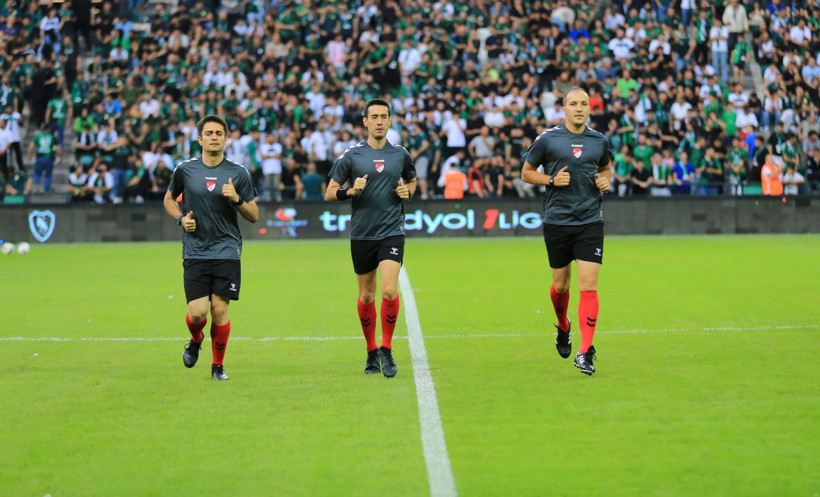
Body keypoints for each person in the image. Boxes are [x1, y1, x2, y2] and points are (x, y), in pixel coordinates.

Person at [521, 87, 612, 376]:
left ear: (589, 108)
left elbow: (606, 168)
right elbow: (526, 172)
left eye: (584, 103)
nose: (579, 108)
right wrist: (550, 179)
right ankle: (563, 325)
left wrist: (604, 182)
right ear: (564, 109)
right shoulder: (548, 140)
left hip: (589, 221)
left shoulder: (599, 141)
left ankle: (585, 352)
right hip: (558, 220)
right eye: (573, 104)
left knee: (588, 285)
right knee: (561, 286)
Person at [325, 98, 417, 378]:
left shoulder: (400, 154)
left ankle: (386, 350)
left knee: (389, 290)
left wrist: (408, 191)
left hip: (392, 232)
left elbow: (412, 180)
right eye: (373, 117)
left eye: (384, 116)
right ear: (365, 122)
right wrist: (350, 191)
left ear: (390, 121)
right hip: (362, 234)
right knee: (366, 295)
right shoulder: (351, 156)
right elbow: (330, 192)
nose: (379, 121)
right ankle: (370, 350)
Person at [163, 115, 259, 381]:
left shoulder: (238, 173)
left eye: (219, 133)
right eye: (209, 133)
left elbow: (253, 215)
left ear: (226, 139)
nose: (214, 137)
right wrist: (181, 219)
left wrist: (237, 199)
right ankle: (195, 340)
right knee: (197, 314)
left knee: (219, 310)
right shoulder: (185, 170)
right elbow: (169, 199)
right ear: (200, 138)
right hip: (195, 250)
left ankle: (218, 366)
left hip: (227, 250)